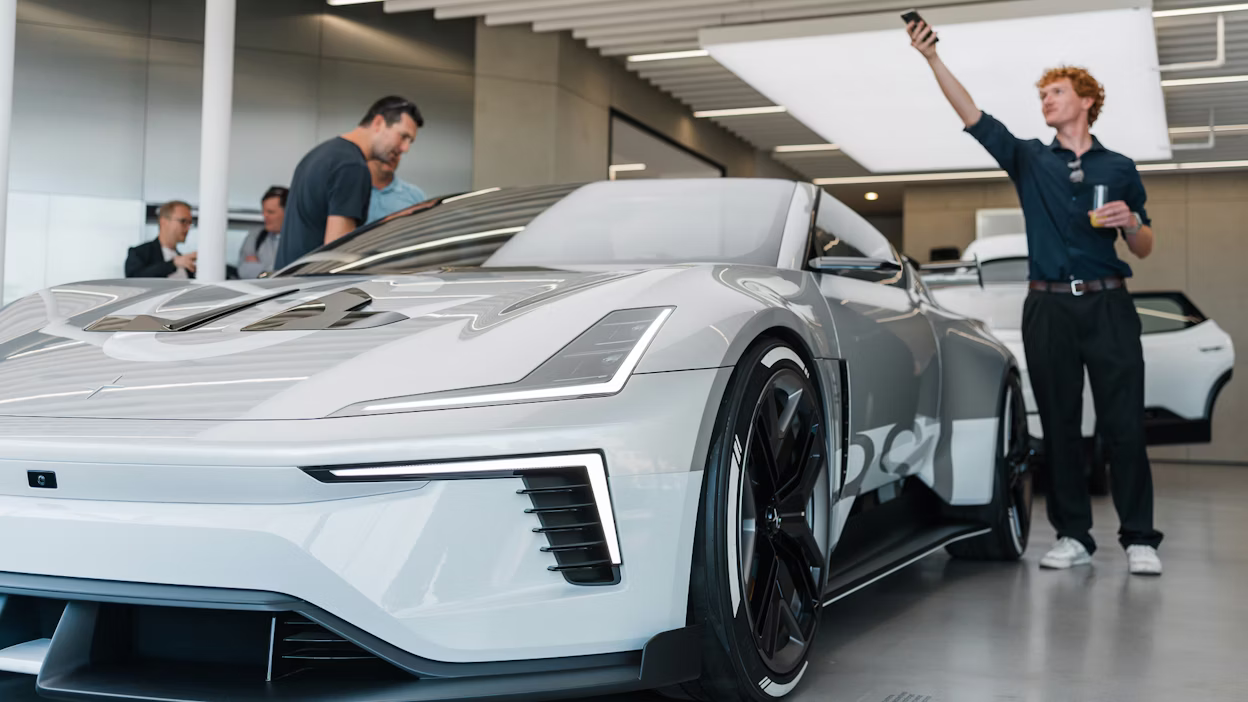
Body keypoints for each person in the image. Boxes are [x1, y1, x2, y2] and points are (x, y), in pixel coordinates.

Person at [908, 20, 1163, 575]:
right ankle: (1073, 536)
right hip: (1047, 307)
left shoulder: (1119, 168)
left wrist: (1132, 221)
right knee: (1060, 424)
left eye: (1056, 92)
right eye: (1042, 94)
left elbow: (1143, 247)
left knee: (1124, 425)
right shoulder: (1030, 159)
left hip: (1109, 303)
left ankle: (1140, 538)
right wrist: (932, 59)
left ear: (1087, 101)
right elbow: (972, 115)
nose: (1046, 100)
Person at [274, 96, 424, 269]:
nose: (405, 148)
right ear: (378, 123)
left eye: (410, 141)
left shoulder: (321, 154)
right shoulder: (352, 167)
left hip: (287, 284)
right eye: (403, 136)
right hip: (312, 289)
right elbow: (338, 256)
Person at [126, 200, 197, 279]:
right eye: (183, 221)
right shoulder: (139, 253)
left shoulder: (184, 261)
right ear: (164, 222)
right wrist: (172, 264)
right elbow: (133, 280)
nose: (188, 228)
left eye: (190, 223)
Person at [237, 186, 287, 278]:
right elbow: (244, 271)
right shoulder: (255, 237)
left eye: (271, 212)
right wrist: (271, 272)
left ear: (287, 212)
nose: (264, 216)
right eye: (263, 211)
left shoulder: (301, 242)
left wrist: (260, 271)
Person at [366, 153, 427, 225]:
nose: (391, 156)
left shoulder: (415, 195)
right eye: (387, 152)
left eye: (396, 153)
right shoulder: (354, 190)